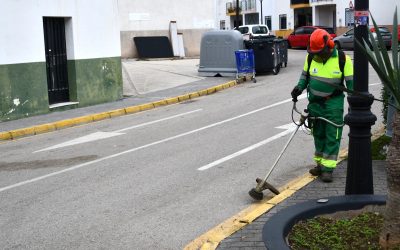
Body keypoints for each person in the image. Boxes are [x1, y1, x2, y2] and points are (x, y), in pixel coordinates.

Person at [291, 28, 354, 182]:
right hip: (315, 105)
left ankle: (328, 169)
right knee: (318, 134)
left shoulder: (343, 59)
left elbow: (351, 85)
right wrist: (299, 88)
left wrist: (353, 107)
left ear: (328, 46)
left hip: (333, 103)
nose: (316, 54)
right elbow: (305, 76)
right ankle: (320, 165)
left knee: (332, 136)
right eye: (314, 52)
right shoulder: (311, 57)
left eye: (319, 51)